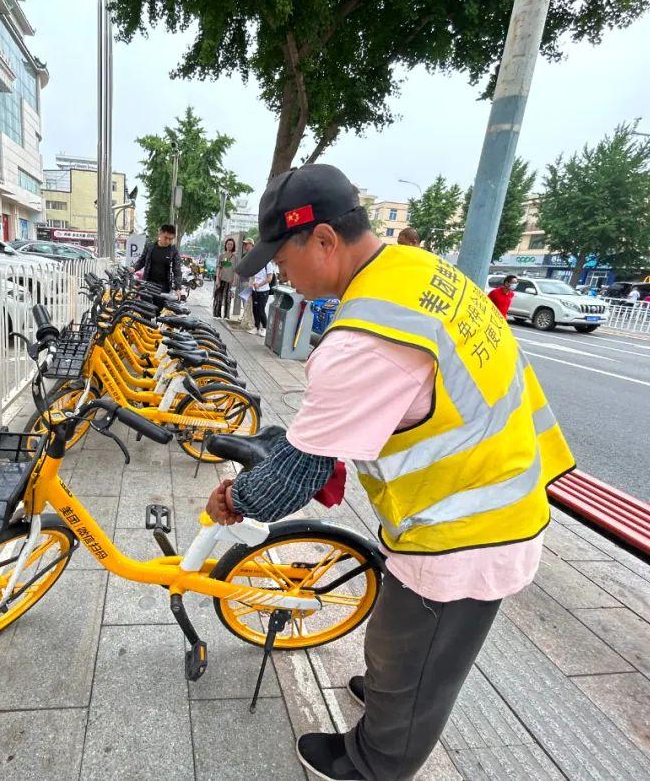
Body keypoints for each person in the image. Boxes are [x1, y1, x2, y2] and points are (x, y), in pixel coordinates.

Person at [209, 163, 574, 781]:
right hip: (490, 487)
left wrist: (235, 498)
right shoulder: (419, 273)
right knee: (395, 640)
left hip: (467, 528)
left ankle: (375, 761)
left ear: (323, 240)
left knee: (419, 660)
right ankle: (390, 694)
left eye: (281, 256)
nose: (280, 273)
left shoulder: (364, 339)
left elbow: (290, 481)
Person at [132, 223, 182, 307]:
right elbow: (142, 261)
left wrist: (178, 288)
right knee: (145, 313)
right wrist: (133, 268)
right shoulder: (150, 247)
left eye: (170, 239)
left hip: (163, 288)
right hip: (147, 285)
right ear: (160, 233)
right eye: (166, 237)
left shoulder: (173, 251)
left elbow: (177, 270)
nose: (167, 241)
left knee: (160, 314)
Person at [248, 258, 277, 336]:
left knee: (261, 310)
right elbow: (254, 276)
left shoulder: (268, 264)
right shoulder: (257, 263)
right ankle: (256, 327)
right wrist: (252, 285)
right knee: (255, 309)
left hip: (264, 290)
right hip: (255, 290)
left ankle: (264, 328)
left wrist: (259, 285)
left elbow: (269, 278)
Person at [213, 237, 237, 318]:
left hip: (230, 281)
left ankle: (226, 316)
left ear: (233, 246)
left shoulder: (235, 257)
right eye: (228, 244)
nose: (229, 245)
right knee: (218, 298)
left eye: (231, 244)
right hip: (221, 279)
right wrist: (217, 279)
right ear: (226, 245)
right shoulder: (222, 255)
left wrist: (234, 281)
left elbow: (235, 270)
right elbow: (218, 267)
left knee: (228, 299)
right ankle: (217, 315)